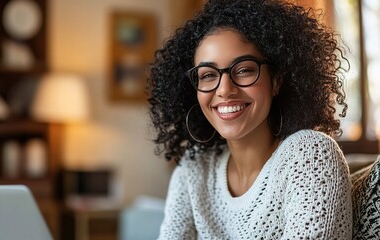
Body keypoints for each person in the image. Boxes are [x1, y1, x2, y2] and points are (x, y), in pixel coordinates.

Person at [147, 0, 353, 239]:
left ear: (276, 80)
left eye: (244, 69)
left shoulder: (311, 155)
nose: (224, 90)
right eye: (208, 75)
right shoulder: (193, 171)